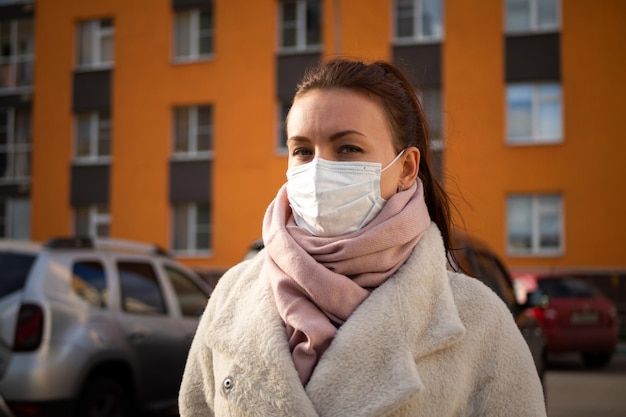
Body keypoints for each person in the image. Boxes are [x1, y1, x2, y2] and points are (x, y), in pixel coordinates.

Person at [178, 58, 547, 417]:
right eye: (302, 150)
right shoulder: (232, 295)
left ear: (406, 168)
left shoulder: (480, 321)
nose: (319, 168)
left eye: (348, 148)